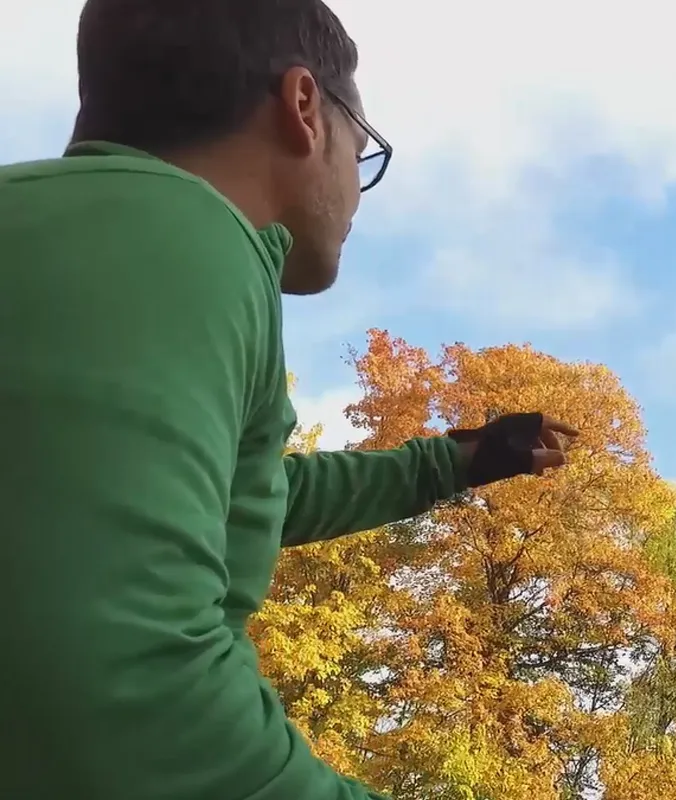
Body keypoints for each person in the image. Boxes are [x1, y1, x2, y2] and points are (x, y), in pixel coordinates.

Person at [0, 1, 577, 798]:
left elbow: (234, 497)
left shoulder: (64, 234)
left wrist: (453, 463)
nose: (359, 187)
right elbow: (121, 694)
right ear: (304, 108)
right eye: (363, 148)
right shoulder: (193, 239)